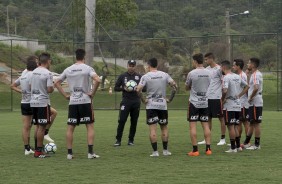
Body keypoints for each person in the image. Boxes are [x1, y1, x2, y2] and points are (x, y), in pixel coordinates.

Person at [54, 48, 101, 159]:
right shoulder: (88, 68)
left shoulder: (68, 69)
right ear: (84, 57)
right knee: (89, 126)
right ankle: (90, 153)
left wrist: (65, 95)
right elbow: (98, 80)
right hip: (85, 101)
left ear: (75, 57)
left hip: (73, 102)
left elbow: (56, 82)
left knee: (70, 128)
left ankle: (69, 154)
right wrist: (92, 93)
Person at [136, 58, 177, 157]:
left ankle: (155, 152)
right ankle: (165, 151)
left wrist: (143, 99)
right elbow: (175, 86)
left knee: (153, 129)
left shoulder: (146, 76)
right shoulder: (164, 75)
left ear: (148, 65)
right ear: (157, 65)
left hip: (151, 105)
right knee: (164, 128)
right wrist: (170, 99)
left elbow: (138, 90)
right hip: (162, 105)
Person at [185, 53, 212, 156]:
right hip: (205, 102)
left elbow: (187, 87)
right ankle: (208, 149)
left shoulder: (192, 73)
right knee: (206, 125)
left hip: (194, 103)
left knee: (192, 126)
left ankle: (195, 150)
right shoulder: (209, 73)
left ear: (195, 61)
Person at [10, 56, 38, 155]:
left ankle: (27, 148)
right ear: (35, 66)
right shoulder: (33, 75)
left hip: (24, 103)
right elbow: (32, 86)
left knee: (26, 126)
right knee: (38, 125)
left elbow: (12, 86)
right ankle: (38, 147)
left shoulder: (23, 76)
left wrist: (21, 91)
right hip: (34, 103)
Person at [198, 53, 226, 146]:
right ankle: (207, 138)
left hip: (217, 97)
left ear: (212, 59)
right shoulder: (206, 70)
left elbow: (224, 81)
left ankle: (223, 138)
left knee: (221, 118)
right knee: (207, 118)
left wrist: (223, 96)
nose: (205, 61)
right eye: (204, 60)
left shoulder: (219, 69)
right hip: (207, 97)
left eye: (206, 59)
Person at [221, 60, 249, 153]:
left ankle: (233, 148)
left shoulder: (226, 77)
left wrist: (222, 100)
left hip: (229, 105)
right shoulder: (237, 76)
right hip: (238, 104)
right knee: (236, 126)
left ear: (223, 67)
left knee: (230, 126)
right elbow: (247, 86)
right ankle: (238, 146)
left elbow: (225, 90)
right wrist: (239, 95)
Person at [29, 52, 54, 158]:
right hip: (43, 103)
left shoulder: (34, 72)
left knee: (38, 126)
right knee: (42, 127)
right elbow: (49, 89)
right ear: (48, 61)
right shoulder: (48, 73)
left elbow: (30, 86)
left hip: (33, 102)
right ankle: (39, 151)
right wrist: (52, 88)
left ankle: (37, 148)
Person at [113, 60, 143, 146]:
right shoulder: (122, 76)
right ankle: (118, 140)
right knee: (122, 120)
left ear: (135, 67)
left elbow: (144, 89)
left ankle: (131, 140)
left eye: (133, 65)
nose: (131, 67)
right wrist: (124, 88)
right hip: (126, 101)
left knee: (134, 121)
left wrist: (138, 88)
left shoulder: (139, 77)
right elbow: (116, 88)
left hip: (136, 101)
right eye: (130, 65)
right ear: (127, 66)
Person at [242, 58, 263, 150]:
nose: (247, 64)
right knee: (251, 123)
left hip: (255, 101)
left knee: (256, 123)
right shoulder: (256, 74)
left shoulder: (255, 75)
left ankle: (257, 145)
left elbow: (256, 88)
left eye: (249, 63)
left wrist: (250, 97)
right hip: (254, 101)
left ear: (253, 65)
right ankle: (246, 143)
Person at [232, 59, 250, 139]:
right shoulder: (238, 75)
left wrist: (239, 96)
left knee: (245, 122)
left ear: (238, 66)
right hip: (238, 103)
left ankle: (247, 142)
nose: (233, 67)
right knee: (238, 122)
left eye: (234, 65)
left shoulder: (242, 76)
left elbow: (246, 88)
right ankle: (237, 141)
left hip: (242, 103)